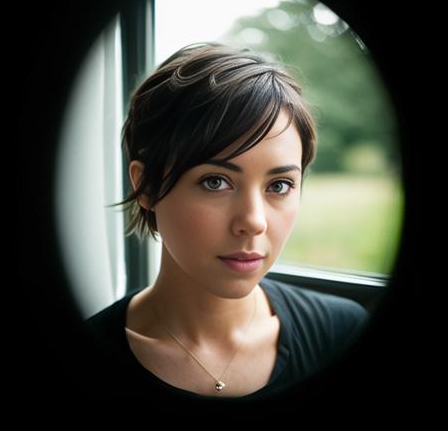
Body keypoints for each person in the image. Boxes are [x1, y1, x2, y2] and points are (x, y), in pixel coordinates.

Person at [85, 42, 368, 401]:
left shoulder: (341, 332)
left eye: (279, 185)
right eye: (215, 182)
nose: (253, 222)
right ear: (146, 186)